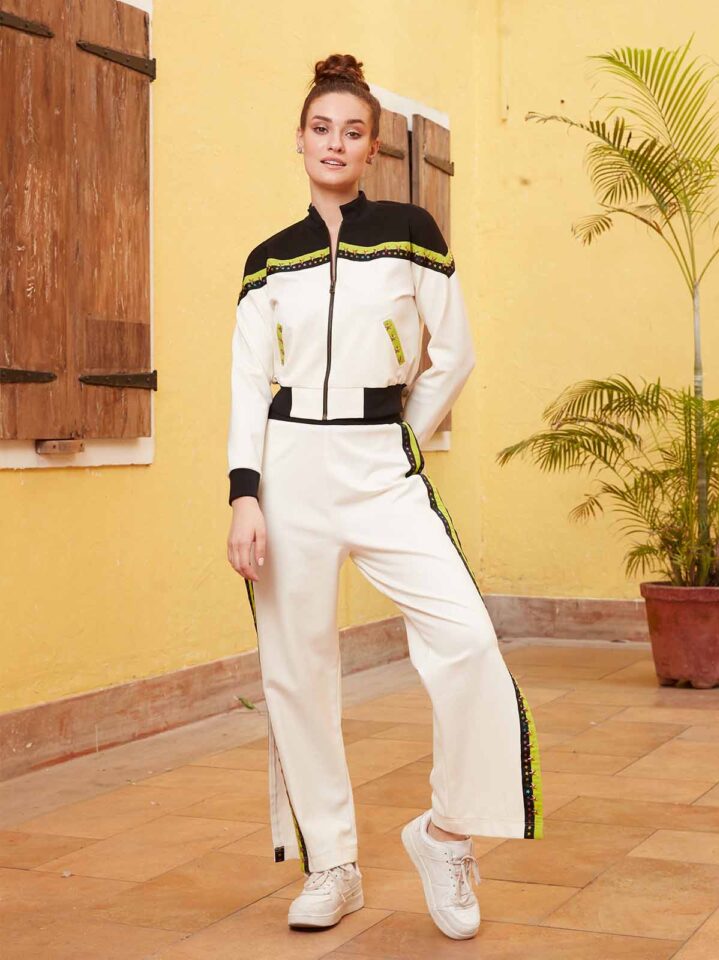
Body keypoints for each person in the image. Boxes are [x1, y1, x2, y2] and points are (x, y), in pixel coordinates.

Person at [225, 52, 543, 941]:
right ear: (299, 140)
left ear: (373, 148)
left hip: (379, 461)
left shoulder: (412, 231)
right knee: (296, 668)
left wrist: (406, 431)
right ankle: (332, 865)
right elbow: (248, 385)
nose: (335, 143)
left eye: (353, 131)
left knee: (467, 638)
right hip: (288, 466)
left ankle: (446, 835)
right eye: (321, 128)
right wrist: (244, 496)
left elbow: (455, 351)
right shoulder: (267, 262)